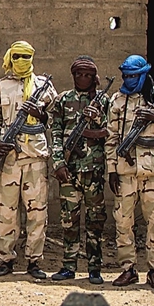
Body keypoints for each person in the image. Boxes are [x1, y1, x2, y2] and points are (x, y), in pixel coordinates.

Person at [0, 41, 59, 279]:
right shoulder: (1, 86)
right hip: (9, 158)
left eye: (26, 56)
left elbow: (55, 118)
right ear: (10, 56)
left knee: (37, 212)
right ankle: (6, 259)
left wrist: (41, 114)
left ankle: (34, 262)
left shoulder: (44, 86)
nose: (21, 60)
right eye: (17, 56)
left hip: (35, 157)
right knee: (7, 211)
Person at [105, 54, 154, 289]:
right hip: (125, 170)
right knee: (123, 222)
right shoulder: (117, 100)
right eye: (126, 76)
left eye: (134, 76)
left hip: (153, 170)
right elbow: (112, 137)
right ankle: (128, 268)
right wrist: (112, 169)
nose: (129, 80)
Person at [49, 56, 110, 284]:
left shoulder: (103, 101)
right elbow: (55, 133)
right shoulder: (63, 100)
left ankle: (94, 268)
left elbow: (110, 133)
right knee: (69, 221)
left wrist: (97, 119)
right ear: (72, 76)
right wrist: (59, 164)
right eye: (78, 74)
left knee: (95, 222)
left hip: (93, 171)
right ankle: (68, 266)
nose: (83, 79)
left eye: (87, 75)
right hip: (69, 171)